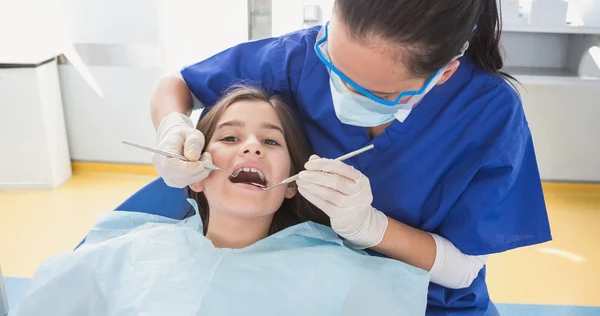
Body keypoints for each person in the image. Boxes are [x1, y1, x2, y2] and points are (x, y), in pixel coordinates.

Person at [150, 0, 552, 315]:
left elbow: (462, 269)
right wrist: (172, 126)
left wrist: (371, 227)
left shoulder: (487, 114)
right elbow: (179, 85)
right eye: (331, 65)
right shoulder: (295, 59)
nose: (338, 90)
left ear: (443, 74)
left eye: (371, 93)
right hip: (299, 286)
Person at [13, 86, 430, 316]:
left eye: (270, 140)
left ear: (291, 184)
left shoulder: (342, 275)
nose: (251, 148)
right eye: (230, 138)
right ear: (191, 173)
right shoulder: (129, 255)